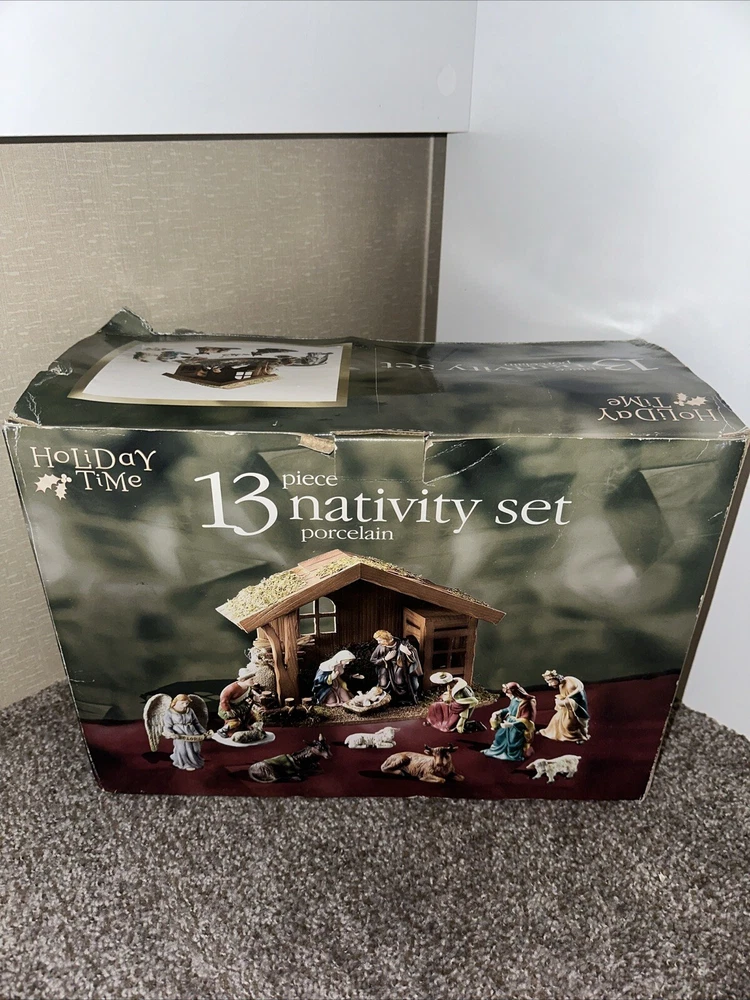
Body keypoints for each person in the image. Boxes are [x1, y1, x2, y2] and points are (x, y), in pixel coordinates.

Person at [482, 682, 537, 761]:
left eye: (508, 693)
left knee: (513, 739)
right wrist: (500, 712)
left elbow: (527, 720)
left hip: (518, 726)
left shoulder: (527, 702)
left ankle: (513, 755)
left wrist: (512, 725)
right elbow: (509, 709)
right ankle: (495, 751)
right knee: (499, 735)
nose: (507, 695)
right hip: (508, 722)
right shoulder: (514, 699)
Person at [370, 630, 423, 705]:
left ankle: (402, 699)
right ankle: (386, 699)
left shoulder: (401, 644)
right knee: (383, 683)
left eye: (380, 640)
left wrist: (407, 652)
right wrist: (385, 659)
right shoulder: (380, 647)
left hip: (399, 665)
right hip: (386, 666)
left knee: (399, 681)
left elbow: (413, 652)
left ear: (386, 639)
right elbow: (373, 660)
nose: (378, 642)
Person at [539, 670, 590, 743]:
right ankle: (547, 732)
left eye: (550, 682)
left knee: (568, 725)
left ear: (556, 678)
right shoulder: (561, 685)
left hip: (574, 710)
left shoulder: (570, 685)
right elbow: (565, 696)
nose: (549, 685)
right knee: (555, 720)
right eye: (548, 683)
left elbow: (574, 700)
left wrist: (562, 702)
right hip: (566, 709)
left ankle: (579, 737)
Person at [162, 694, 209, 771]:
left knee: (196, 749)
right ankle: (185, 763)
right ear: (176, 702)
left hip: (192, 732)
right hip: (180, 733)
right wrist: (171, 733)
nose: (185, 705)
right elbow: (167, 726)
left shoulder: (190, 710)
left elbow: (196, 723)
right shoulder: (170, 712)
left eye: (187, 703)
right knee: (183, 751)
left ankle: (194, 761)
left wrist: (204, 732)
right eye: (182, 703)